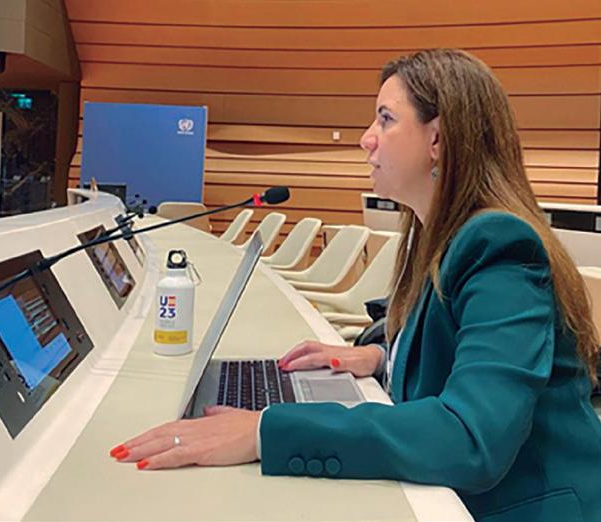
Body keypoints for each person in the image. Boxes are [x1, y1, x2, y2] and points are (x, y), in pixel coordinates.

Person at [109, 49, 601, 522]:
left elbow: (472, 436)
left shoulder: (497, 244)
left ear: (437, 139)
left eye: (385, 119)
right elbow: (459, 337)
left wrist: (264, 431)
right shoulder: (439, 235)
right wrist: (384, 356)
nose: (367, 139)